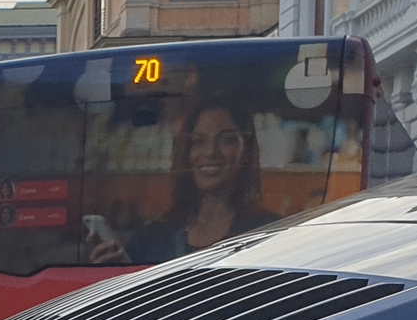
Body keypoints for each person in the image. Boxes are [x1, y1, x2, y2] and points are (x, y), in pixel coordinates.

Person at [87, 101, 279, 266]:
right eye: (198, 142)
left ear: (246, 151)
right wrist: (113, 273)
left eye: (226, 140)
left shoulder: (272, 233)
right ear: (186, 153)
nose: (211, 152)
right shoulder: (150, 239)